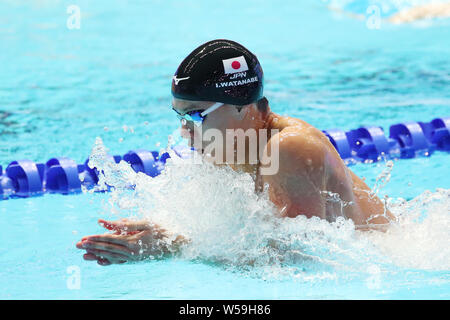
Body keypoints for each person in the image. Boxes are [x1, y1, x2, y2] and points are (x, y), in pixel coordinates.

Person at [76, 39, 393, 266]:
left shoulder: (289, 147)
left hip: (389, 255)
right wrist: (162, 232)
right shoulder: (231, 146)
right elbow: (243, 230)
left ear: (242, 106)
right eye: (181, 117)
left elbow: (303, 258)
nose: (185, 131)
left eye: (197, 115)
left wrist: (172, 246)